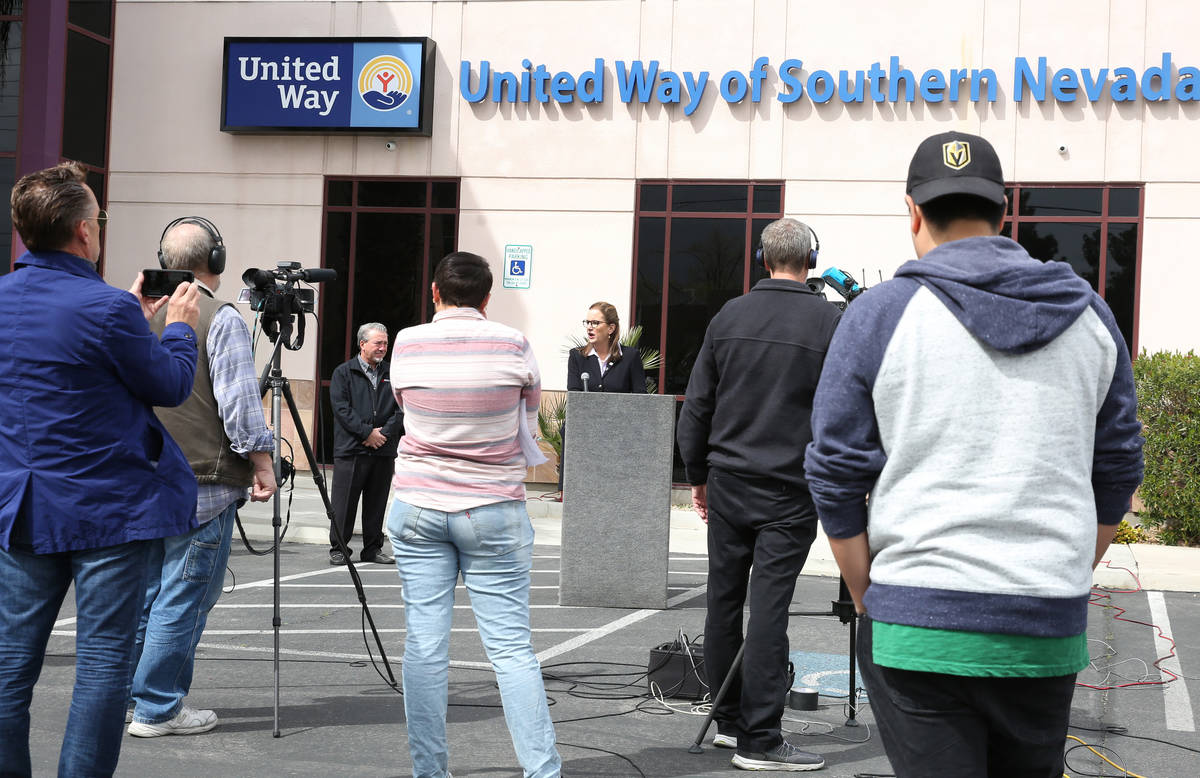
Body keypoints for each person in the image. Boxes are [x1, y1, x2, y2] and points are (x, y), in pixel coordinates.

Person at [804, 131, 1145, 778]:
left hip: (917, 620)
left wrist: (867, 593)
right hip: (1043, 621)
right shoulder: (1089, 316)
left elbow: (834, 472)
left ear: (912, 211)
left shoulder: (880, 316)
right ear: (1005, 210)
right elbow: (1119, 468)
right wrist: (1065, 572)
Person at [0, 162, 201, 775]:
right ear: (85, 232)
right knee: (104, 665)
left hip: (22, 506)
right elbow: (167, 385)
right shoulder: (106, 307)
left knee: (10, 664)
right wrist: (179, 330)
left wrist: (135, 321)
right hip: (108, 510)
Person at [388, 252, 561, 778]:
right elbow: (528, 413)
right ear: (488, 298)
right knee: (511, 650)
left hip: (418, 502)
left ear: (435, 294)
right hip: (492, 506)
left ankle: (430, 771)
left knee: (424, 645)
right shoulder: (512, 342)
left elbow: (403, 403)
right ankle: (541, 770)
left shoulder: (407, 341)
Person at [677, 218, 839, 772]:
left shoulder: (729, 315)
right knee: (769, 609)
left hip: (728, 481)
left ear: (761, 260)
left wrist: (698, 474)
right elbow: (844, 412)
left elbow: (698, 404)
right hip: (790, 489)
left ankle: (728, 722)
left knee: (722, 601)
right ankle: (762, 739)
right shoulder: (828, 321)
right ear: (810, 261)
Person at [128, 217, 278, 737]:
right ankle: (158, 707)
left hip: (139, 481)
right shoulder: (222, 318)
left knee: (147, 597)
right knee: (181, 599)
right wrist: (262, 461)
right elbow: (238, 405)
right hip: (203, 485)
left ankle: (133, 699)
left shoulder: (131, 312)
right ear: (214, 261)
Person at [328, 322, 404, 565]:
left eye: (385, 343)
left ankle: (372, 549)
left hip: (383, 449)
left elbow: (402, 407)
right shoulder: (343, 372)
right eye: (377, 343)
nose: (383, 347)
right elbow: (341, 409)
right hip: (352, 450)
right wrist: (366, 433)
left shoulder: (394, 373)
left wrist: (384, 434)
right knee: (344, 504)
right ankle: (339, 549)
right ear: (362, 344)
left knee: (377, 503)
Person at [560, 301, 646, 490]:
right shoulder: (577, 356)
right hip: (585, 431)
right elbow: (574, 394)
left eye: (595, 323)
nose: (590, 327)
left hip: (619, 432)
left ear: (611, 328)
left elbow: (640, 399)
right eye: (587, 322)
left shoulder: (630, 357)